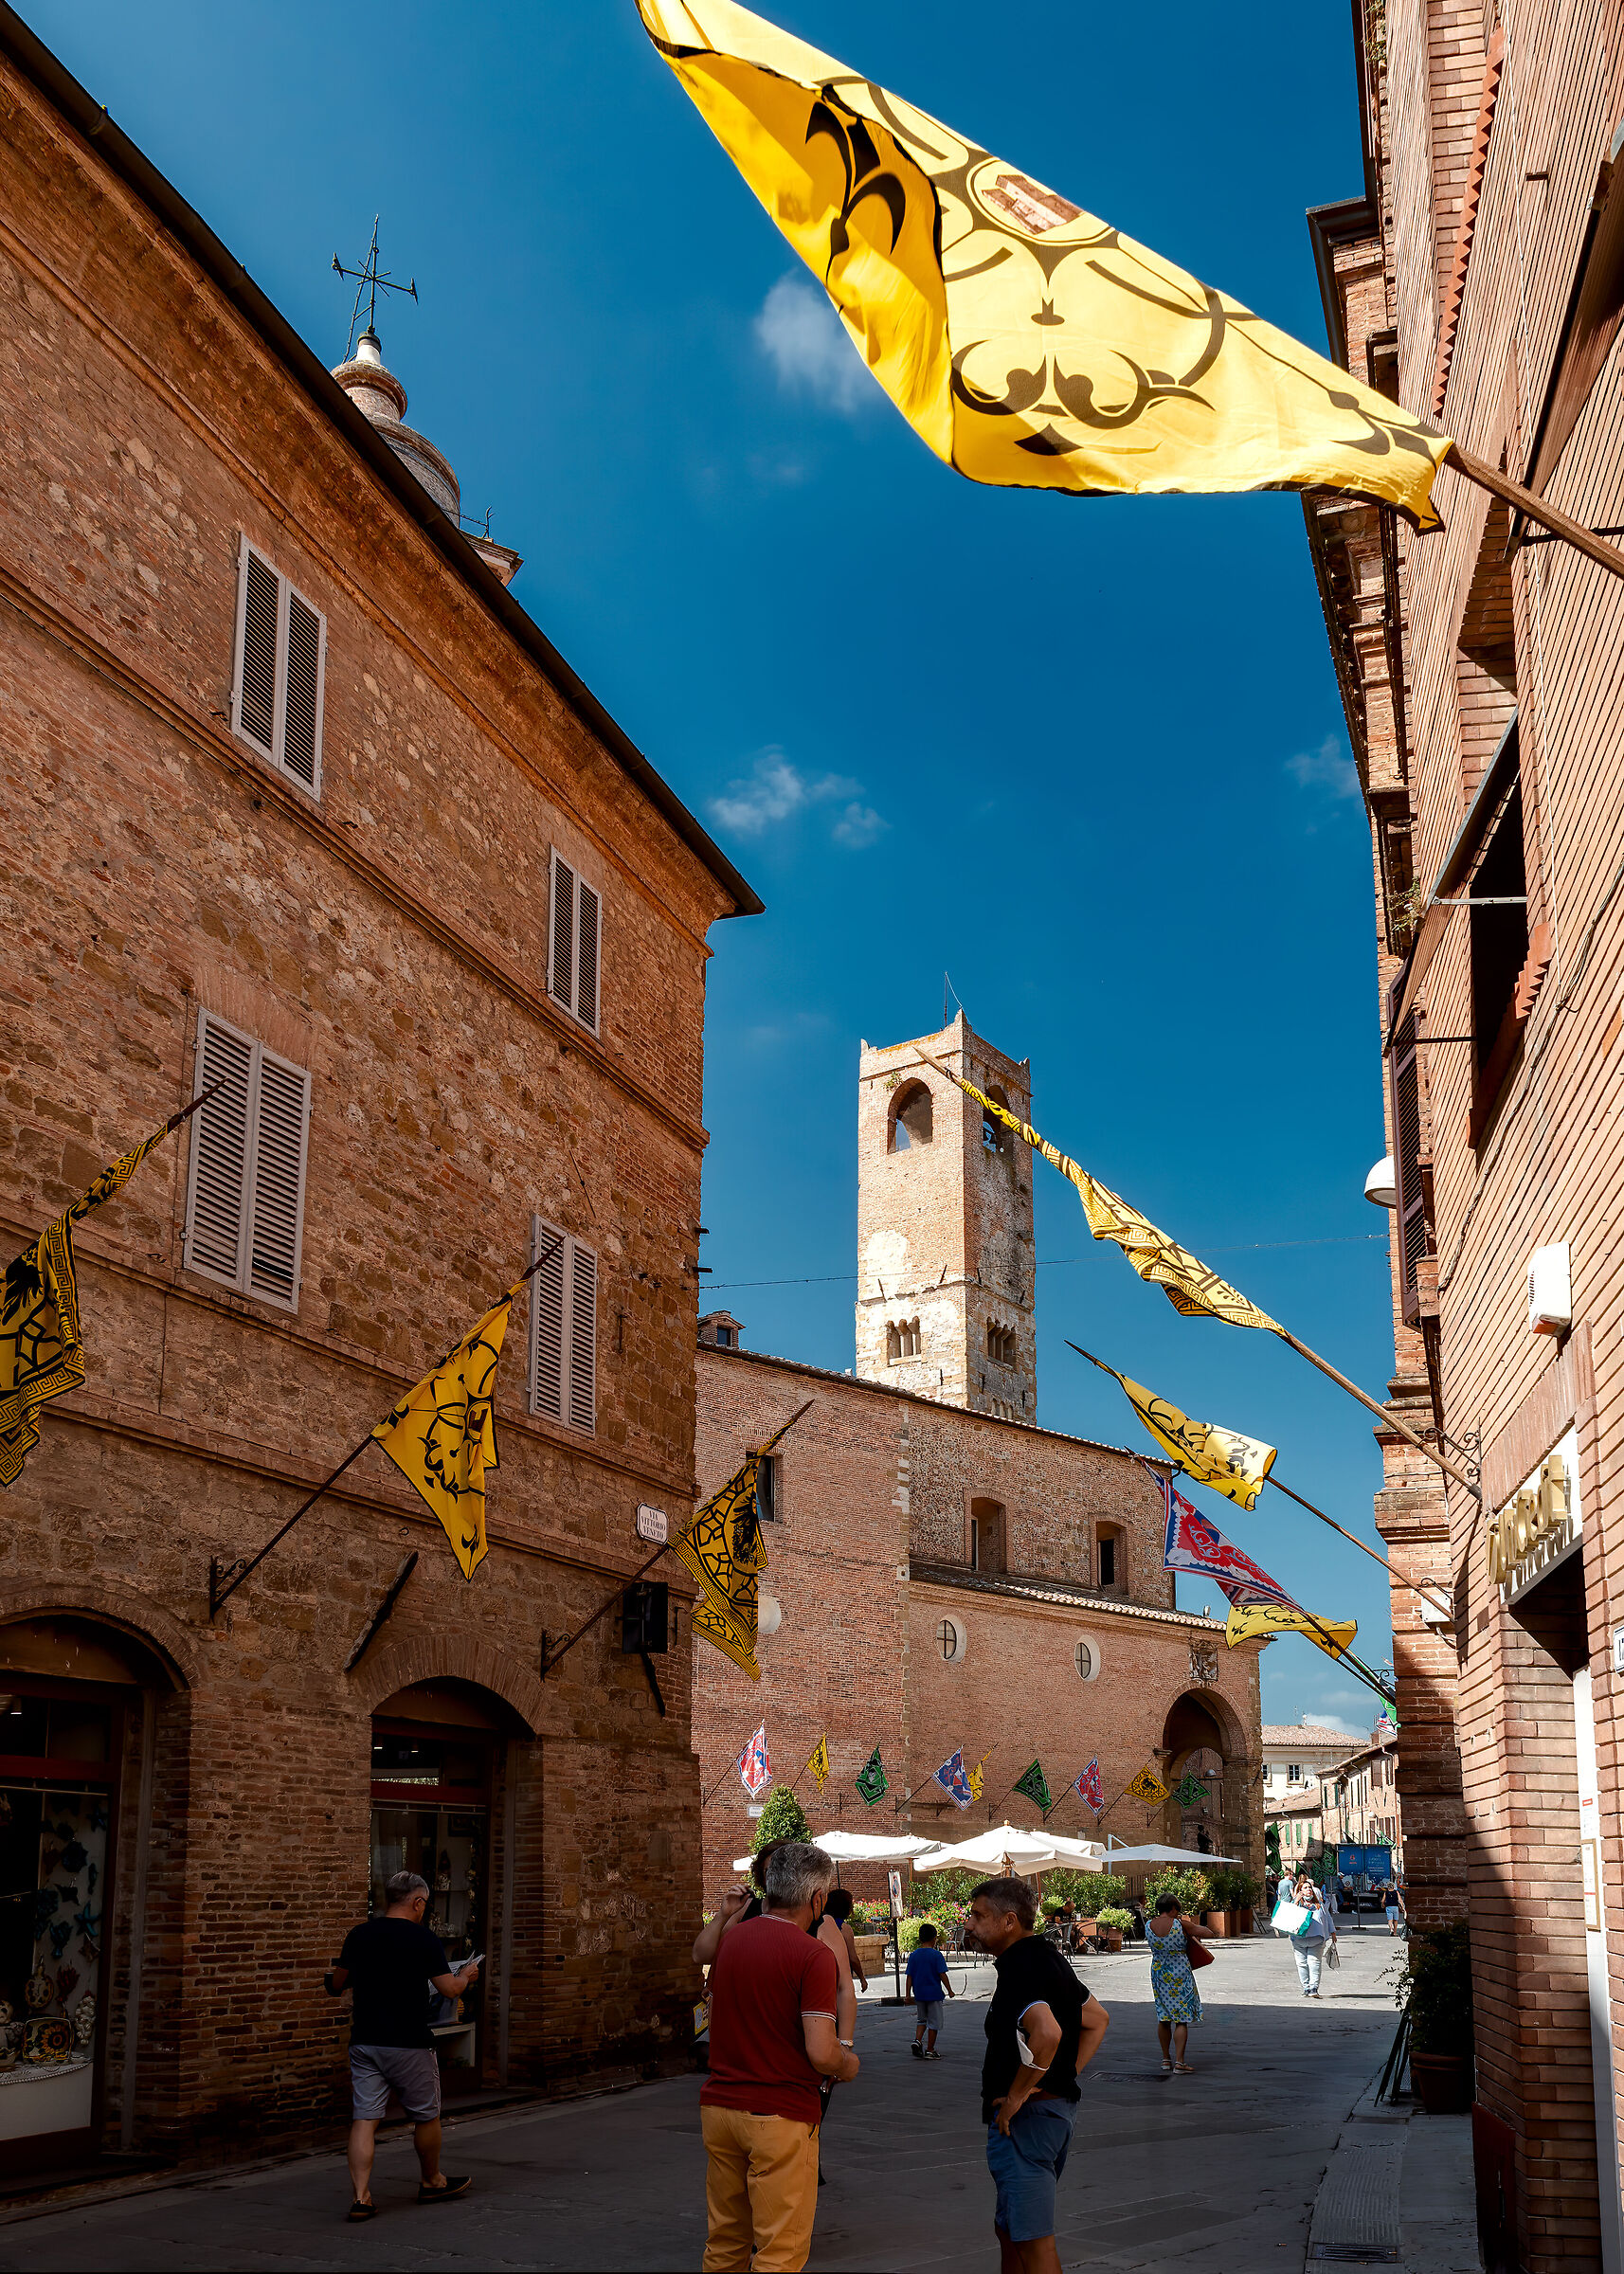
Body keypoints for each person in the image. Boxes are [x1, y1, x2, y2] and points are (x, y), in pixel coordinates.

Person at [699, 1840, 857, 2273]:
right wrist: (848, 2061)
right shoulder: (812, 1954)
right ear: (817, 1898)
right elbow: (821, 2052)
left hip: (720, 2105)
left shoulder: (731, 1941)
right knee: (779, 2250)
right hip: (780, 2113)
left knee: (726, 2239)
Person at [968, 1876, 1110, 2274]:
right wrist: (1061, 2076)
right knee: (1011, 2230)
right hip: (1052, 2114)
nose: (969, 1925)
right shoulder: (1047, 1956)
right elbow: (1097, 2019)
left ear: (1009, 1920)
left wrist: (1019, 2094)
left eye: (979, 1916)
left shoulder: (1019, 1967)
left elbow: (1047, 2032)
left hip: (1026, 2123)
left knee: (1032, 2241)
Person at [325, 1869, 478, 2222]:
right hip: (409, 2041)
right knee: (426, 2115)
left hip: (365, 2040)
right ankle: (432, 2180)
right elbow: (450, 1990)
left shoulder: (360, 1934)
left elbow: (337, 1983)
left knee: (364, 2119)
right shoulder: (423, 1940)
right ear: (418, 1902)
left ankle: (361, 2197)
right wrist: (466, 1976)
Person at [1146, 1892, 1210, 2073]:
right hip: (1180, 1971)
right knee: (1181, 2019)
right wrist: (1190, 1930)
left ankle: (1165, 2059)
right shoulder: (1179, 1924)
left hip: (1158, 1971)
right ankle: (1180, 2062)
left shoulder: (1148, 1925)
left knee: (1163, 2016)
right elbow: (1208, 1932)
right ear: (1173, 1908)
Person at [906, 1922, 955, 2058]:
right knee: (934, 2023)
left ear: (920, 1938)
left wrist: (907, 1995)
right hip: (934, 1995)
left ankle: (917, 2040)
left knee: (921, 2020)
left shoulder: (914, 1955)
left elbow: (909, 1976)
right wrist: (950, 1990)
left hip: (919, 1995)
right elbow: (942, 1975)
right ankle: (930, 2049)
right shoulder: (936, 1955)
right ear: (934, 1939)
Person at [1289, 1871, 1338, 1996]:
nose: (1308, 1889)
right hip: (1299, 1939)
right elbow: (1287, 1915)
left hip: (1317, 1938)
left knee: (1314, 1962)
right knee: (1301, 1964)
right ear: (1300, 1890)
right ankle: (1306, 1987)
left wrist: (1332, 1932)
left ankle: (1313, 1988)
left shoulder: (1319, 1904)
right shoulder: (1296, 1904)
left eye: (1309, 1887)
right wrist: (1296, 1900)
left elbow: (1328, 1918)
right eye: (1305, 1888)